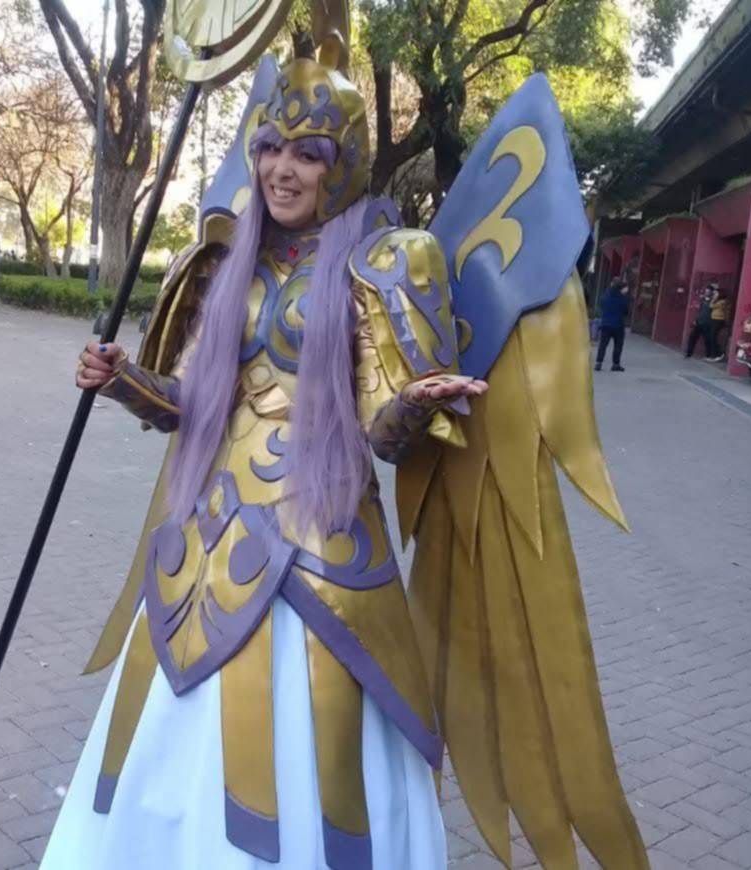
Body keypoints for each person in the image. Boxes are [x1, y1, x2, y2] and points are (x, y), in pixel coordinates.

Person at [41, 55, 647, 870]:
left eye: (309, 153)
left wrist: (417, 401)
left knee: (313, 735)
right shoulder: (226, 260)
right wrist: (122, 381)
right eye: (271, 148)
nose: (282, 169)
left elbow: (384, 437)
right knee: (167, 733)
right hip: (201, 546)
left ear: (346, 163)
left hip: (320, 547)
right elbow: (189, 404)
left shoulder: (388, 262)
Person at [594, 276, 630, 371]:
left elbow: (601, 305)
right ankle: (615, 364)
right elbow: (626, 311)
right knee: (618, 345)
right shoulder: (622, 298)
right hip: (618, 325)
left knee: (603, 344)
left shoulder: (605, 295)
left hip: (606, 324)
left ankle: (598, 363)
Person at [685, 283, 715, 358]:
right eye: (706, 291)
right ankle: (689, 353)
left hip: (707, 323)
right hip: (699, 322)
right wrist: (695, 320)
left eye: (708, 291)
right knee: (692, 337)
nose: (707, 293)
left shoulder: (713, 301)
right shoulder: (703, 300)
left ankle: (708, 355)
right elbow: (699, 311)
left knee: (707, 340)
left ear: (712, 292)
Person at [706, 286, 730, 362]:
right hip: (714, 319)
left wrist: (714, 298)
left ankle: (718, 354)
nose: (714, 294)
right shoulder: (719, 301)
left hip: (719, 320)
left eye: (716, 293)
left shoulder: (723, 301)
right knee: (711, 336)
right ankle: (714, 354)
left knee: (712, 336)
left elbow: (711, 306)